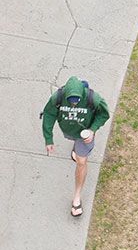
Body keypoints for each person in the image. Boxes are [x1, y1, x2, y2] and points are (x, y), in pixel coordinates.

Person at [39, 76, 110, 218]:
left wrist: (93, 130)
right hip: (69, 131)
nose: (73, 104)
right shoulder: (57, 98)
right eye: (70, 101)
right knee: (76, 148)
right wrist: (49, 139)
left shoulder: (93, 99)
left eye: (77, 101)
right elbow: (48, 115)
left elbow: (104, 114)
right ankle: (76, 149)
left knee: (81, 162)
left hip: (85, 135)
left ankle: (77, 197)